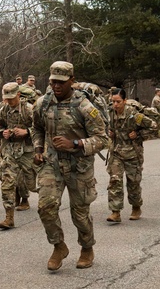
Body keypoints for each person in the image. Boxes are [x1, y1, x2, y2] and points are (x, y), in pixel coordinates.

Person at [31, 61, 108, 270]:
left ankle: (86, 247)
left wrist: (75, 143)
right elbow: (36, 128)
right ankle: (58, 246)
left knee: (80, 214)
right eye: (53, 82)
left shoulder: (84, 107)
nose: (56, 86)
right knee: (45, 207)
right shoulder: (42, 103)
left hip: (79, 165)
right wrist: (38, 150)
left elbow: (103, 139)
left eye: (61, 82)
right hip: (52, 163)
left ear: (72, 81)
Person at [106, 87, 159, 223]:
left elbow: (154, 126)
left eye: (118, 101)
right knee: (115, 181)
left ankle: (136, 207)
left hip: (132, 154)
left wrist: (139, 135)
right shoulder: (110, 113)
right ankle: (115, 212)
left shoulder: (134, 114)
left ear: (124, 101)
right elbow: (105, 127)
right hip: (116, 152)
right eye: (113, 101)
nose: (115, 105)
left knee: (133, 183)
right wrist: (109, 132)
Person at [0, 81, 36, 229]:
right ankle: (9, 217)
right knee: (7, 182)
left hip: (28, 151)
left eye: (12, 98)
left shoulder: (29, 110)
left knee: (34, 184)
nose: (9, 101)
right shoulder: (3, 110)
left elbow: (42, 129)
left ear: (18, 94)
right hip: (10, 150)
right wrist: (3, 134)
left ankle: (49, 209)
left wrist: (27, 132)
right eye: (7, 98)